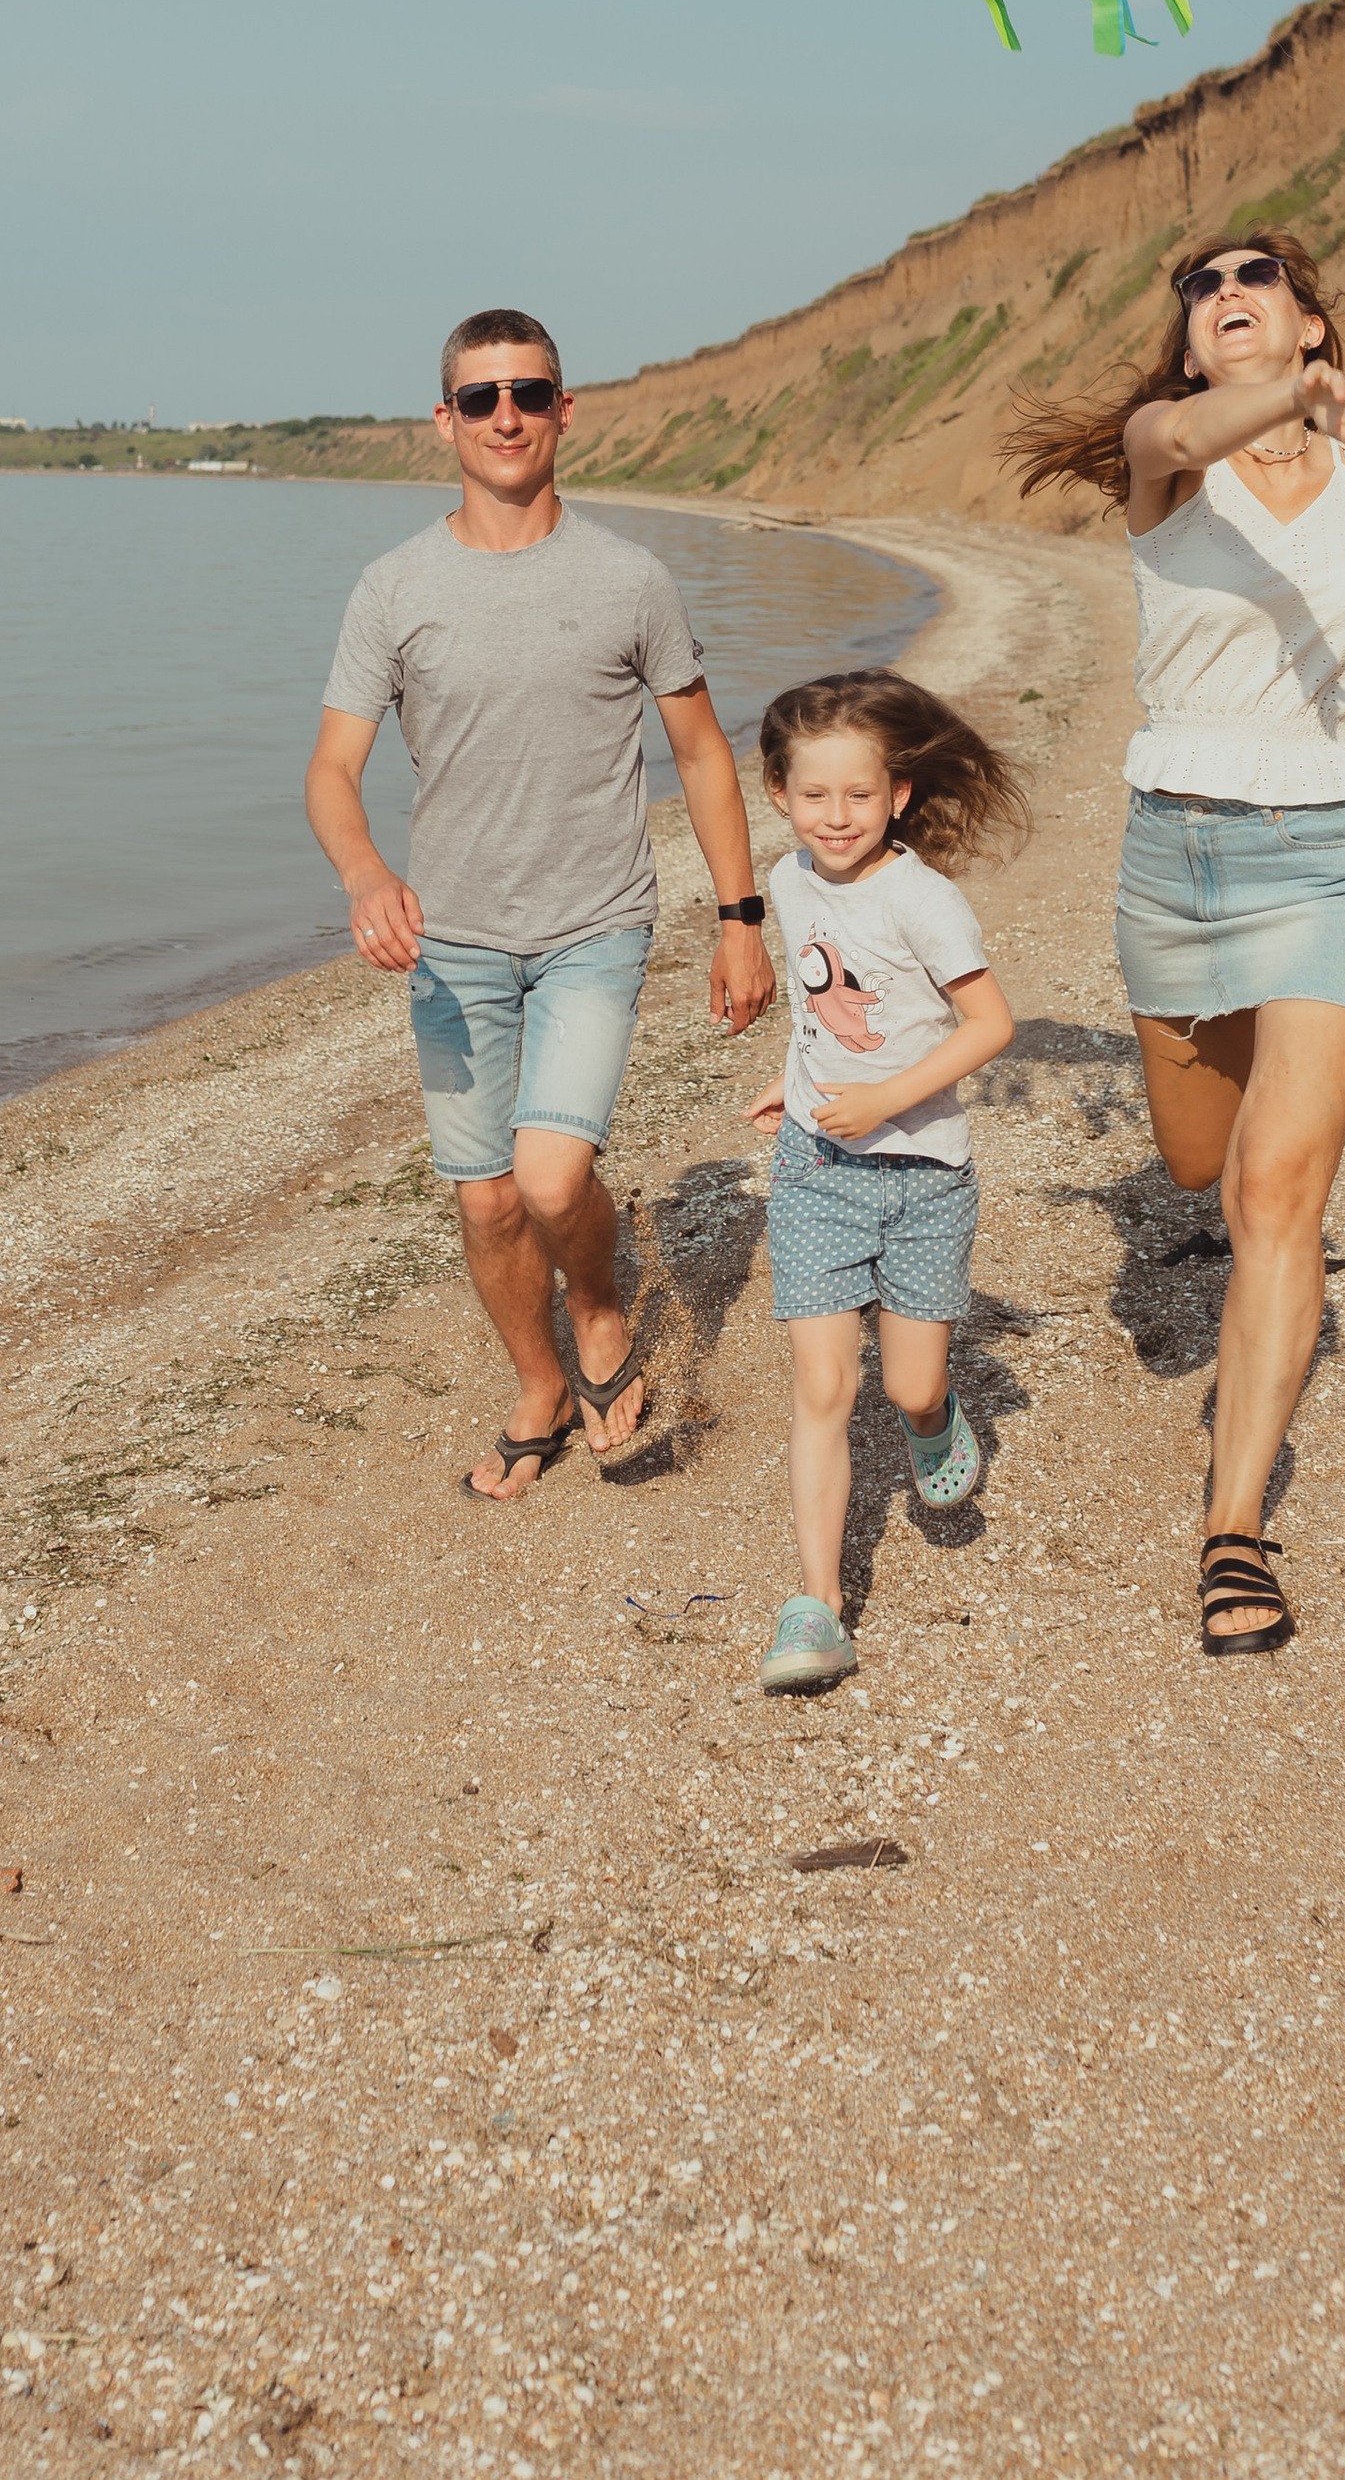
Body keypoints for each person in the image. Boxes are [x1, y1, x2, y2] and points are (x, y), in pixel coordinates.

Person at [1010, 231, 1345, 1659]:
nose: (1228, 292)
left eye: (1261, 278)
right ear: (1191, 345)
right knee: (1196, 1156)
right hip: (1177, 859)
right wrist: (1299, 394)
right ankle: (1240, 1203)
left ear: (1310, 321)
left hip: (1334, 856)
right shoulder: (1165, 451)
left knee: (1272, 1189)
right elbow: (1193, 425)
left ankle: (1233, 1528)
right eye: (1202, 287)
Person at [304, 310, 776, 1502]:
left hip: (593, 929)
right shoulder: (393, 586)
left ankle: (602, 1311)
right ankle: (538, 1386)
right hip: (452, 946)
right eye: (480, 398)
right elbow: (330, 769)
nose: (504, 416)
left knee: (555, 1181)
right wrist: (365, 874)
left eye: (528, 393)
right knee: (486, 1196)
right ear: (444, 422)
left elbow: (706, 757)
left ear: (565, 410)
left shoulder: (629, 579)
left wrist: (739, 915)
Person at [743, 672, 1026, 1694]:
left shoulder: (922, 897)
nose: (835, 817)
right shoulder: (785, 881)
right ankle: (815, 1607)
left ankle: (933, 1416)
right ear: (778, 791)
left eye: (857, 796)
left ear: (898, 794)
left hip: (922, 1178)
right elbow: (825, 1005)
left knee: (905, 1383)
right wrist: (797, 1082)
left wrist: (884, 1101)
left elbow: (989, 1025)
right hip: (816, 1171)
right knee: (824, 1384)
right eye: (813, 795)